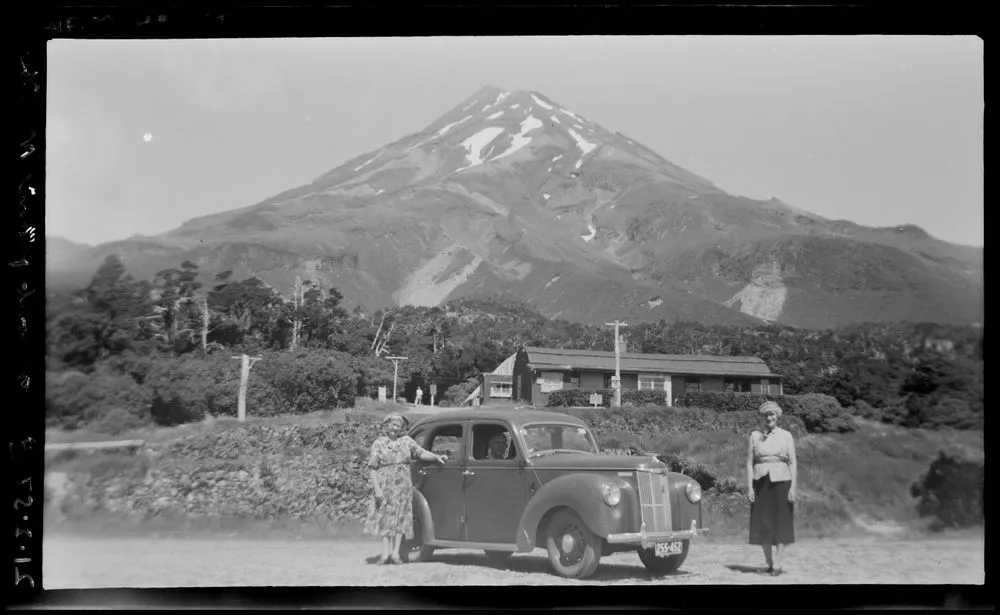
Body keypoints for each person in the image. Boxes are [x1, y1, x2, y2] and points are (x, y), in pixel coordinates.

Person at [364, 413, 446, 565]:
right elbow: (372, 468)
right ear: (387, 426)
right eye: (393, 425)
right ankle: (385, 554)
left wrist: (436, 456)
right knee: (385, 518)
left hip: (403, 485)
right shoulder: (379, 443)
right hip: (385, 484)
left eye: (399, 426)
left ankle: (395, 554)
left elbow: (421, 453)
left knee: (400, 518)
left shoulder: (407, 441)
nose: (396, 428)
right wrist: (377, 489)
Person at [746, 400, 797, 576]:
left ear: (777, 416)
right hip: (761, 482)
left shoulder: (786, 435)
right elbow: (749, 462)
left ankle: (778, 563)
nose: (769, 418)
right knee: (764, 523)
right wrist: (750, 487)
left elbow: (792, 462)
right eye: (766, 415)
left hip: (782, 481)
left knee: (781, 523)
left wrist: (793, 488)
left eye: (772, 414)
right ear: (762, 417)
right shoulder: (754, 436)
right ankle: (769, 562)